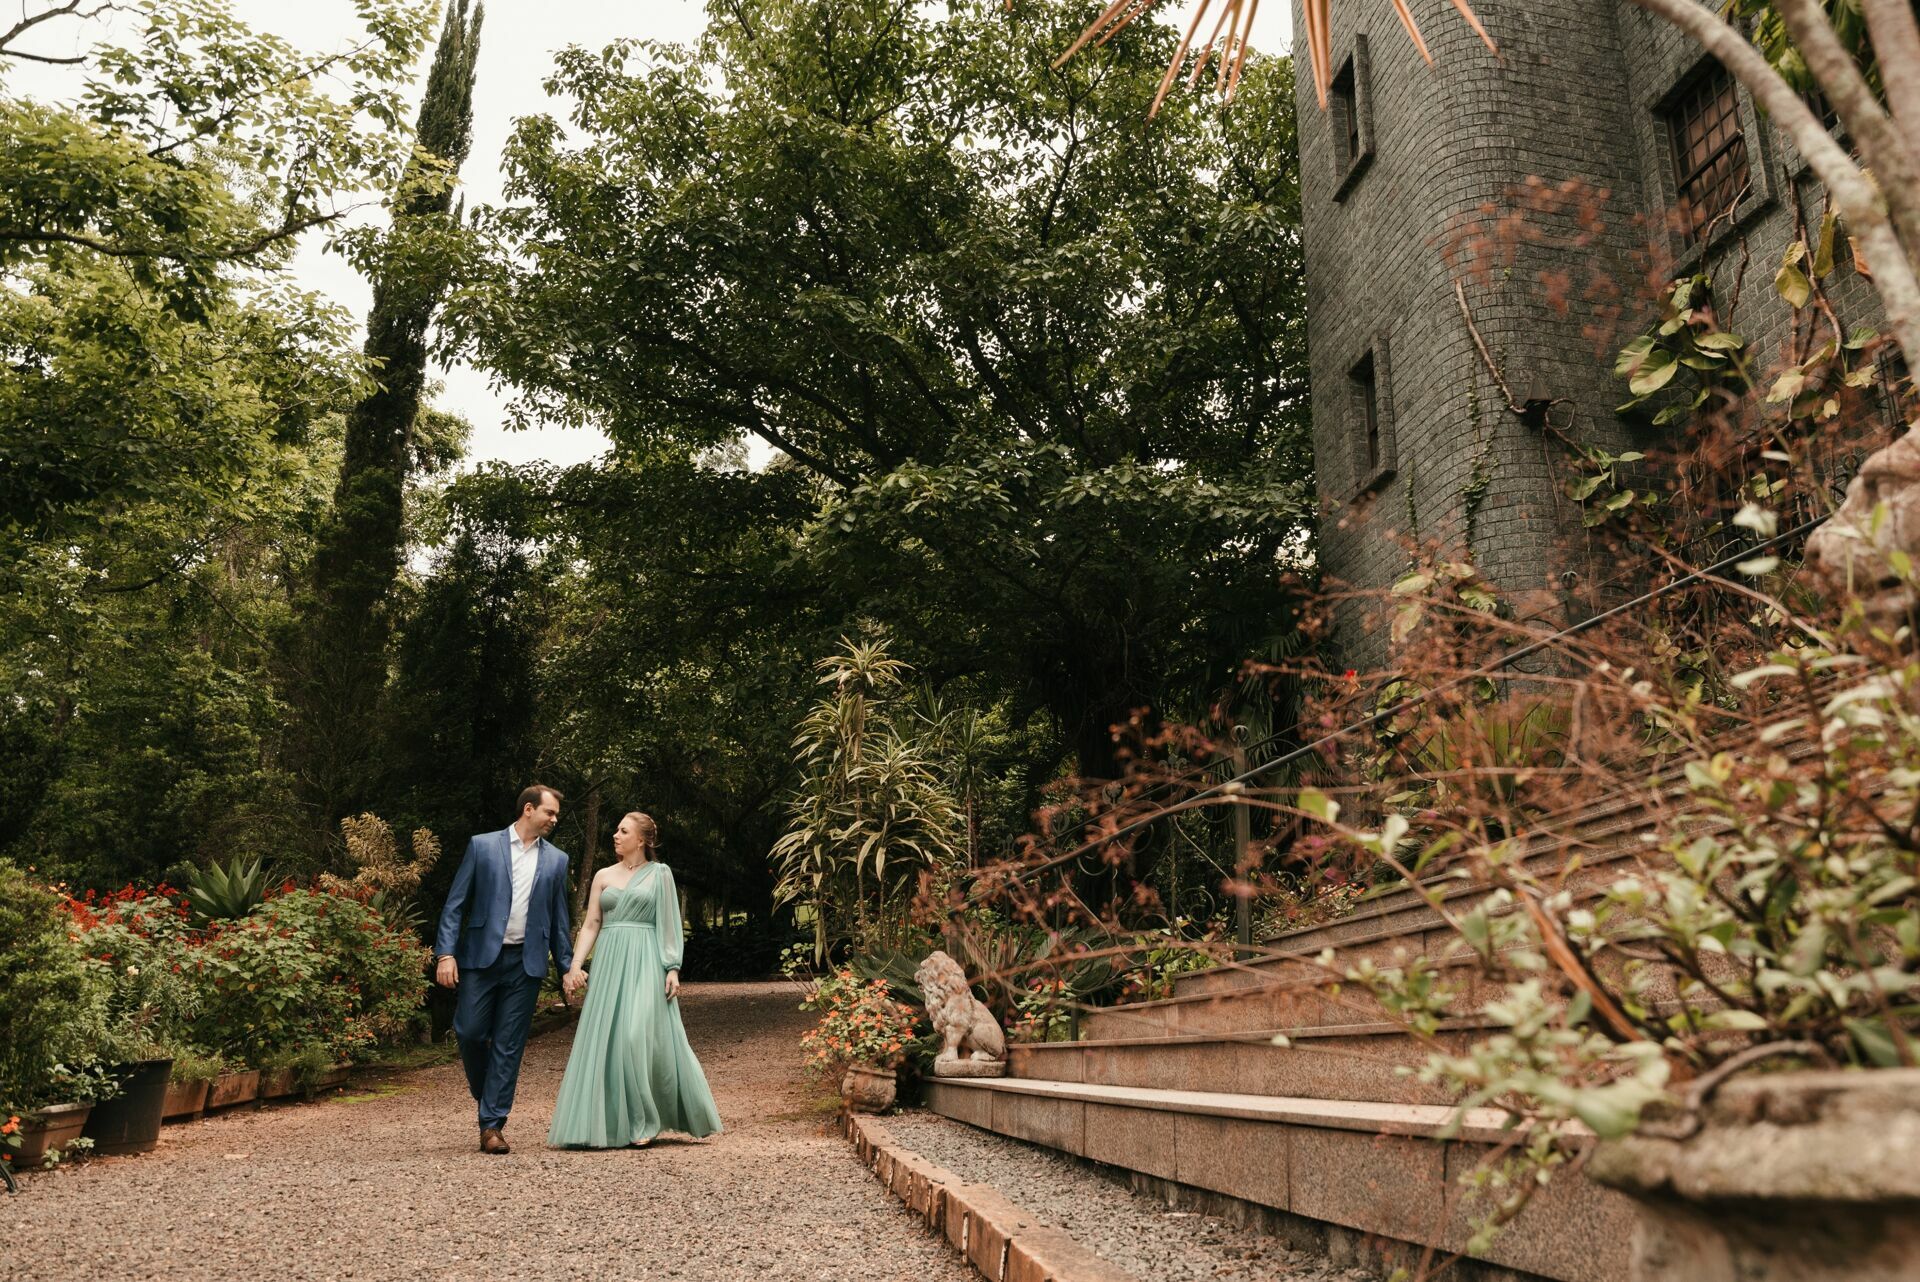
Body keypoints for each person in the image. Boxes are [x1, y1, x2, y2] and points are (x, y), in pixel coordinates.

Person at [547, 811, 722, 1149]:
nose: (615, 835)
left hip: (645, 961)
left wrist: (672, 967)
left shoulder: (660, 875)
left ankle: (645, 1119)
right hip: (611, 962)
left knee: (634, 1036)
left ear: (641, 840)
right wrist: (575, 965)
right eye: (615, 829)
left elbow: (669, 922)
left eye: (623, 831)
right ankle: (611, 1121)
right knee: (608, 1040)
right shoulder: (602, 875)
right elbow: (592, 924)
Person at [434, 784, 574, 1155]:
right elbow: (455, 904)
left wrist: (566, 968)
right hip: (480, 957)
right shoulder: (482, 846)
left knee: (509, 1046)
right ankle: (488, 1095)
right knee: (469, 1030)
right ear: (528, 809)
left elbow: (560, 921)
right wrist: (445, 954)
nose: (554, 819)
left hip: (525, 963)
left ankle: (492, 1125)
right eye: (550, 812)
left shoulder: (557, 860)